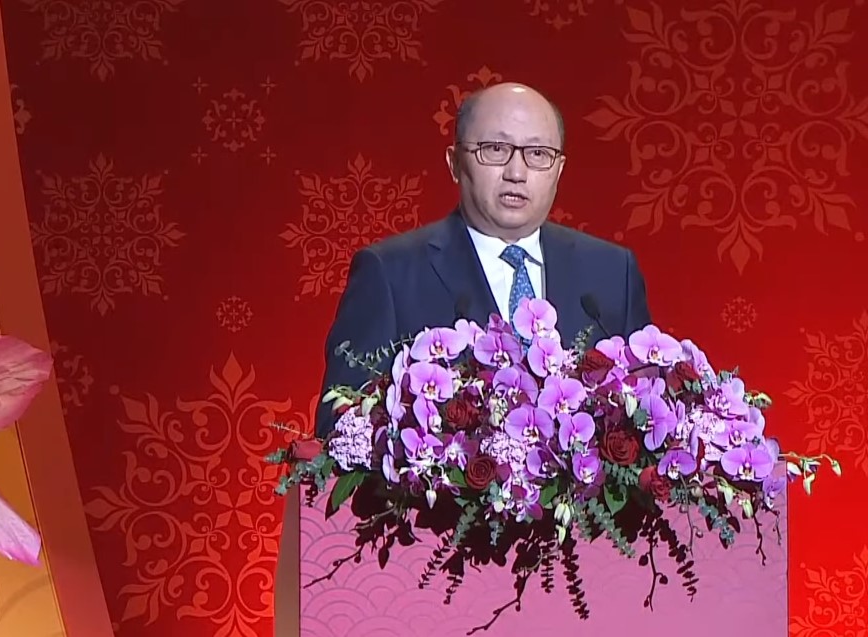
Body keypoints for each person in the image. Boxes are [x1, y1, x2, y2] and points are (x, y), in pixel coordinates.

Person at [275, 83, 653, 633]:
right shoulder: (391, 272)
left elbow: (646, 422)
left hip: (589, 589)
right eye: (495, 150)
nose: (517, 172)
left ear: (559, 168)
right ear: (455, 162)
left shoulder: (611, 272)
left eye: (537, 154)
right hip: (432, 584)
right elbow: (342, 431)